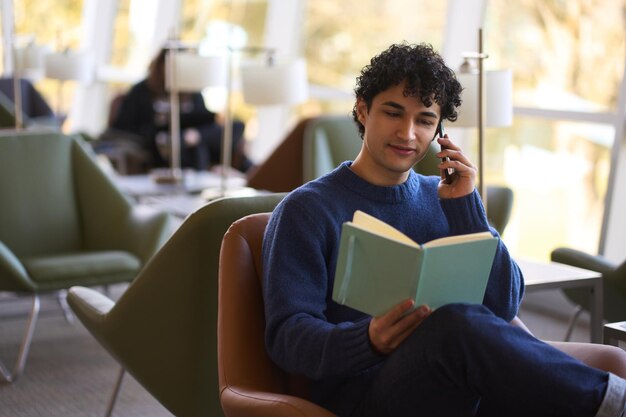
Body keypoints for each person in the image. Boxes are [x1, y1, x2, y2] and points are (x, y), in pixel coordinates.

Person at [262, 42, 626, 417]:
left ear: (439, 131)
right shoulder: (306, 210)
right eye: (393, 112)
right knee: (453, 324)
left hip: (458, 388)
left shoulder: (447, 199)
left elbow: (502, 307)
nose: (407, 133)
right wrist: (368, 340)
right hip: (365, 398)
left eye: (424, 120)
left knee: (466, 332)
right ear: (362, 109)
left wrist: (467, 209)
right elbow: (287, 337)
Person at [111, 47, 253, 172]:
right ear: (161, 65)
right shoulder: (141, 92)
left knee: (236, 126)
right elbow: (123, 128)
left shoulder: (193, 95)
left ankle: (250, 173)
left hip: (194, 140)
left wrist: (194, 135)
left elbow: (205, 121)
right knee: (180, 144)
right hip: (163, 144)